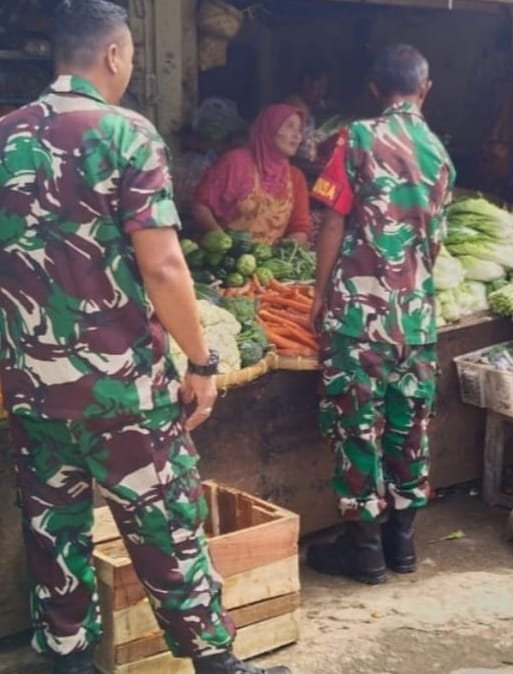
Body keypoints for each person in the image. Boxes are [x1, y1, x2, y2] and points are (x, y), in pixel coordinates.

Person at [0, 3, 290, 674]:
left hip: (34, 390)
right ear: (113, 56)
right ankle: (216, 664)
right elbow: (162, 264)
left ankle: (69, 662)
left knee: (52, 530)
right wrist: (201, 358)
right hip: (120, 391)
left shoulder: (6, 137)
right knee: (165, 526)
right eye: (128, 55)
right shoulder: (126, 134)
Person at [307, 44, 455, 585]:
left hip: (359, 314)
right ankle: (404, 544)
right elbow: (434, 242)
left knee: (357, 425)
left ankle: (364, 549)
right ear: (426, 87)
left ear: (374, 88)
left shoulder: (357, 138)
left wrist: (321, 292)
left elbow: (331, 222)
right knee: (408, 423)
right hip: (416, 315)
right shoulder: (440, 152)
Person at [191, 103, 312, 246]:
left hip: (266, 264)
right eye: (290, 126)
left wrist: (282, 255)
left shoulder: (295, 177)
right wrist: (223, 242)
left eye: (299, 130)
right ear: (269, 128)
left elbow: (299, 228)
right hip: (222, 258)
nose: (297, 136)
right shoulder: (235, 162)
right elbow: (200, 206)